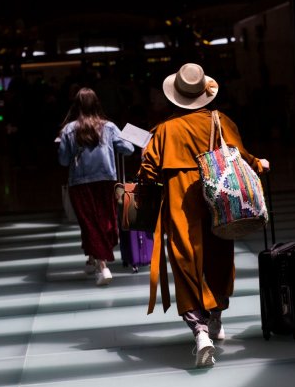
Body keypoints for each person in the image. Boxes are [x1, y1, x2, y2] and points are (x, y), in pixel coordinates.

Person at [137, 63, 270, 368]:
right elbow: (243, 157)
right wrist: (261, 165)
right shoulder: (220, 121)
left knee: (186, 262)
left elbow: (147, 172)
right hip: (219, 203)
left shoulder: (164, 130)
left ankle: (200, 331)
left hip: (179, 205)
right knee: (218, 257)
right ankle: (217, 319)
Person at [57, 87, 135, 286]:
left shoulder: (68, 130)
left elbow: (64, 161)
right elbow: (128, 149)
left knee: (89, 222)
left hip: (80, 183)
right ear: (97, 104)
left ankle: (101, 266)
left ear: (77, 106)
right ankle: (97, 259)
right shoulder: (108, 127)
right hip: (105, 180)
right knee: (106, 220)